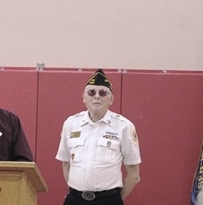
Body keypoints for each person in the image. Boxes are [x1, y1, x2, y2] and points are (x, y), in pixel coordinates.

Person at [55, 69, 141, 205]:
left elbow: (134, 175)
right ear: (84, 97)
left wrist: (115, 200)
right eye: (91, 92)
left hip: (108, 200)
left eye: (103, 92)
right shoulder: (71, 124)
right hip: (75, 199)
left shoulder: (123, 126)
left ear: (111, 99)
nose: (96, 96)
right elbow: (65, 163)